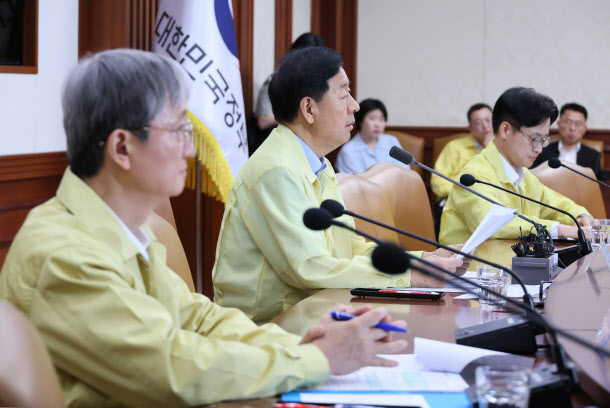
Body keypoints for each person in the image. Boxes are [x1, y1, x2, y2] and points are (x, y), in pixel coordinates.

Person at [0, 49, 409, 407]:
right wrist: (315, 359)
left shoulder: (123, 229)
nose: (190, 148)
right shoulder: (65, 254)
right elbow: (170, 369)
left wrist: (300, 343)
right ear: (122, 147)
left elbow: (197, 318)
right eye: (179, 130)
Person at [213, 46, 469, 324]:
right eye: (344, 94)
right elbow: (310, 267)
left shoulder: (318, 162)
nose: (355, 106)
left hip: (315, 312)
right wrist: (410, 275)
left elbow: (348, 247)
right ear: (309, 109)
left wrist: (421, 260)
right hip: (266, 327)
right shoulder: (276, 170)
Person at [439, 87, 591, 267]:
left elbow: (558, 205)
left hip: (514, 274)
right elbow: (495, 224)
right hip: (470, 277)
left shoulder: (524, 176)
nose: (539, 149)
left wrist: (580, 217)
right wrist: (562, 230)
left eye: (544, 140)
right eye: (534, 139)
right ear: (505, 130)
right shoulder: (474, 175)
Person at [250, 32, 325, 155]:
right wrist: (296, 116)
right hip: (277, 148)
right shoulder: (277, 80)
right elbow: (263, 120)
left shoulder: (318, 83)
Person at [430, 103, 493, 237]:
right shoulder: (454, 147)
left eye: (488, 120)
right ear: (470, 128)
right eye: (478, 122)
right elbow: (437, 182)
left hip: (491, 201)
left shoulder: (504, 148)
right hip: (455, 201)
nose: (485, 126)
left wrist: (491, 150)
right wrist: (463, 192)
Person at [531, 102, 607, 179]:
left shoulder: (593, 156)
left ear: (585, 129)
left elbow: (597, 180)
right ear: (559, 124)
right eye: (568, 122)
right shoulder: (542, 152)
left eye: (578, 124)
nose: (572, 128)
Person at [334, 98, 410, 173]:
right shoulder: (348, 151)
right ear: (360, 121)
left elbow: (406, 171)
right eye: (372, 118)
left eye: (381, 119)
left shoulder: (391, 141)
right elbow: (354, 180)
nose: (377, 124)